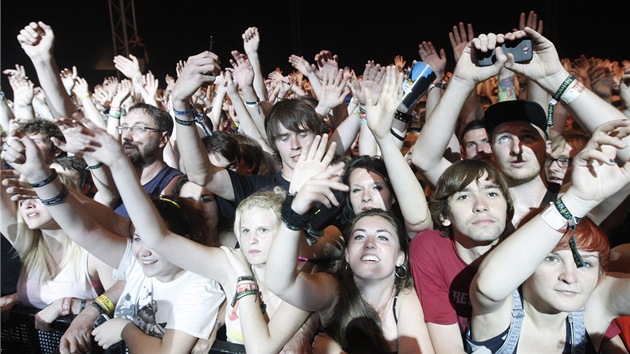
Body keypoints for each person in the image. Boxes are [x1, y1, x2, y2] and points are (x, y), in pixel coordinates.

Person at [2, 132, 225, 353]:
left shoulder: (199, 287)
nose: (143, 251)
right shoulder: (136, 266)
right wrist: (40, 176)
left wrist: (125, 330)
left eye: (154, 241)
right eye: (137, 239)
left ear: (182, 242)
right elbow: (83, 229)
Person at [465, 120, 630, 353]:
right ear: (527, 265)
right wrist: (579, 200)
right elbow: (487, 287)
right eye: (551, 259)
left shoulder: (596, 303)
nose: (569, 277)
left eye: (585, 264)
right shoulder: (501, 314)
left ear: (600, 275)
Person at [265, 169, 434, 353]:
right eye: (360, 237)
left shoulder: (404, 299)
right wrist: (294, 212)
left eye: (383, 238)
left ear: (400, 257)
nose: (370, 244)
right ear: (346, 254)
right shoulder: (333, 290)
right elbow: (279, 282)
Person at [409, 159, 513, 354]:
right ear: (444, 217)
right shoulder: (431, 248)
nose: (481, 206)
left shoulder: (524, 247)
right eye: (464, 197)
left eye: (491, 193)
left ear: (507, 210)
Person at [0, 169, 114, 331]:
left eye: (37, 196)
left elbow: (124, 307)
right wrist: (18, 298)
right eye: (23, 199)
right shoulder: (30, 249)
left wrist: (67, 305)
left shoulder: (92, 251)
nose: (28, 204)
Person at [341, 65, 433, 237]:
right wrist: (364, 106)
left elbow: (419, 221)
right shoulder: (339, 237)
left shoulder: (408, 235)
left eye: (377, 188)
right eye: (356, 190)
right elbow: (369, 161)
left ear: (394, 195)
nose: (366, 197)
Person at [112, 102, 183, 216]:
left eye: (140, 128)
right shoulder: (114, 178)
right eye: (125, 128)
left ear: (163, 139)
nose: (126, 136)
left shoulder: (172, 184)